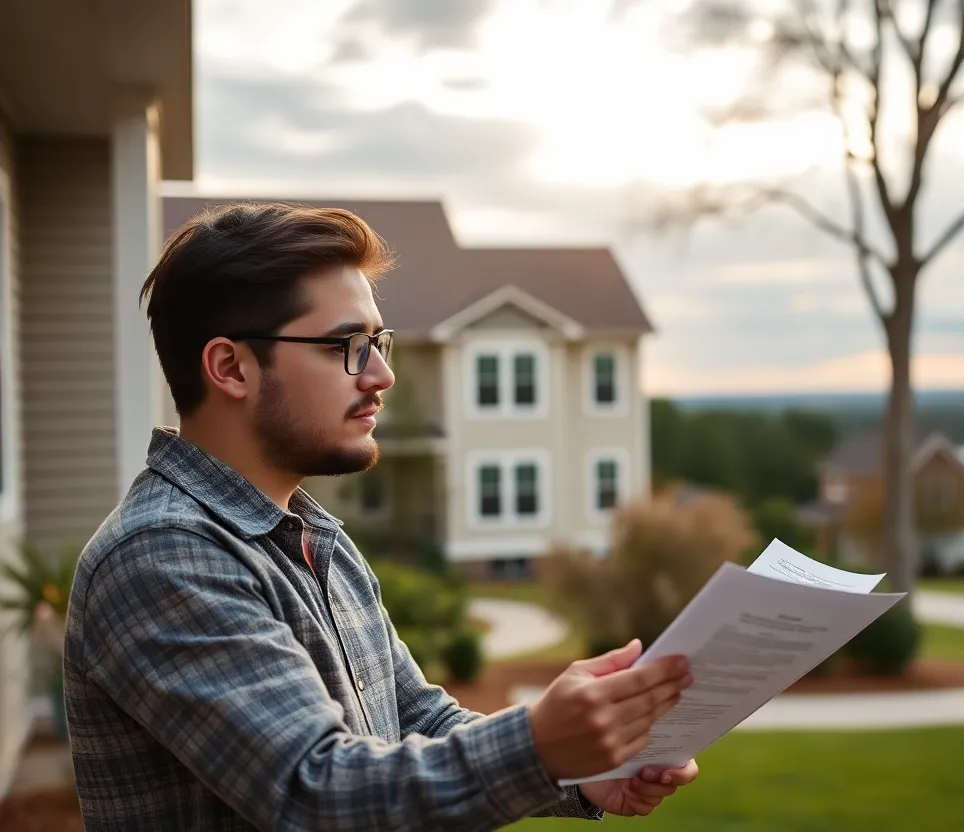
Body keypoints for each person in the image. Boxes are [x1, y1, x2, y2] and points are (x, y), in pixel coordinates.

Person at [62, 202, 699, 830]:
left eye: (377, 342)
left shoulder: (313, 540)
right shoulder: (162, 555)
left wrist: (578, 771)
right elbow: (316, 794)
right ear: (231, 367)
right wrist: (539, 745)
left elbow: (416, 721)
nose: (382, 374)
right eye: (347, 345)